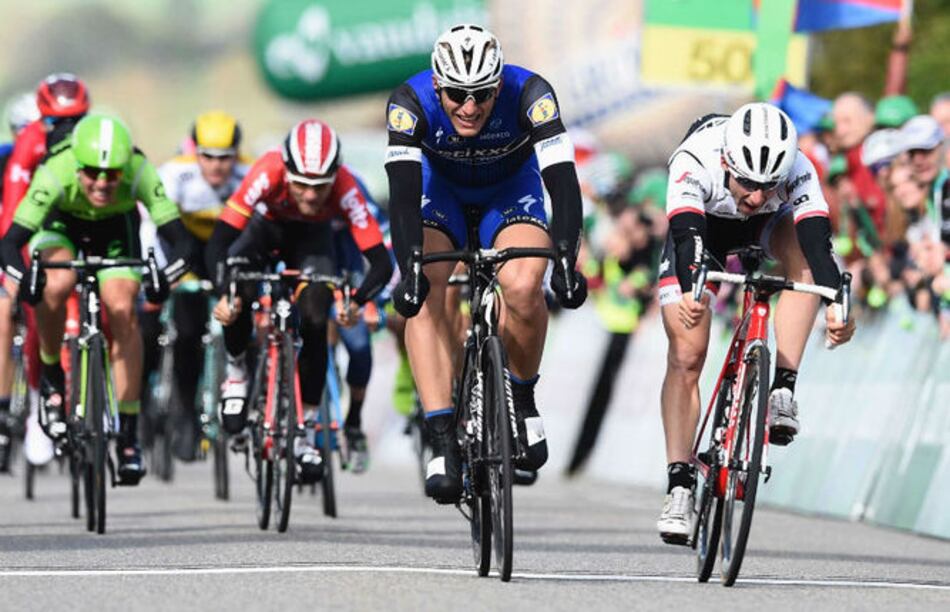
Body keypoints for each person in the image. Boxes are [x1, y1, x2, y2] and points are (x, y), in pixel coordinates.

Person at [384, 23, 586, 503]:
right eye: (457, 94)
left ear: (498, 86)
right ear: (438, 86)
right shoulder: (409, 103)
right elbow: (403, 197)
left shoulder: (532, 94)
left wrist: (566, 258)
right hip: (440, 194)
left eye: (482, 95)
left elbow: (563, 182)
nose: (470, 107)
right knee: (426, 288)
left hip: (509, 192)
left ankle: (522, 398)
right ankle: (440, 437)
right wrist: (409, 268)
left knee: (524, 283)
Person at [655, 103, 856, 544]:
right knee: (687, 355)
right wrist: (692, 291)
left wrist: (836, 303)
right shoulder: (694, 159)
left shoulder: (798, 167)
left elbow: (818, 242)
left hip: (768, 230)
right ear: (727, 162)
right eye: (747, 183)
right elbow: (687, 238)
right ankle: (679, 485)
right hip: (703, 231)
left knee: (804, 264)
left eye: (769, 185)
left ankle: (782, 388)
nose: (756, 196)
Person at [0, 113, 194, 484]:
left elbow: (182, 241)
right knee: (55, 284)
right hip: (61, 225)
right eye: (92, 173)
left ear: (124, 167)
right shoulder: (56, 170)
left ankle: (128, 434)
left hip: (116, 230)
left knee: (122, 309)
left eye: (111, 174)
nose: (102, 183)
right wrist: (24, 280)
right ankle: (52, 374)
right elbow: (10, 243)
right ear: (77, 166)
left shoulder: (139, 169)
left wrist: (164, 279)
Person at [205, 119, 392, 484]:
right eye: (301, 184)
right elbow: (219, 242)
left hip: (312, 241)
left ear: (334, 177)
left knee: (316, 315)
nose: (309, 195)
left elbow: (380, 263)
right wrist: (224, 292)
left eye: (320, 187)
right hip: (264, 230)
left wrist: (356, 301)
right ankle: (237, 373)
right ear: (286, 171)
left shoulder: (346, 187)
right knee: (241, 288)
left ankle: (305, 431)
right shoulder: (267, 170)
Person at [141, 110, 249, 461]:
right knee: (188, 331)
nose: (216, 166)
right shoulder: (176, 174)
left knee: (244, 316)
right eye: (208, 156)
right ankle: (186, 413)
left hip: (225, 252)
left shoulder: (247, 174)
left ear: (236, 154)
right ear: (195, 151)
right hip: (184, 252)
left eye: (225, 158)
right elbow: (152, 227)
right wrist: (158, 272)